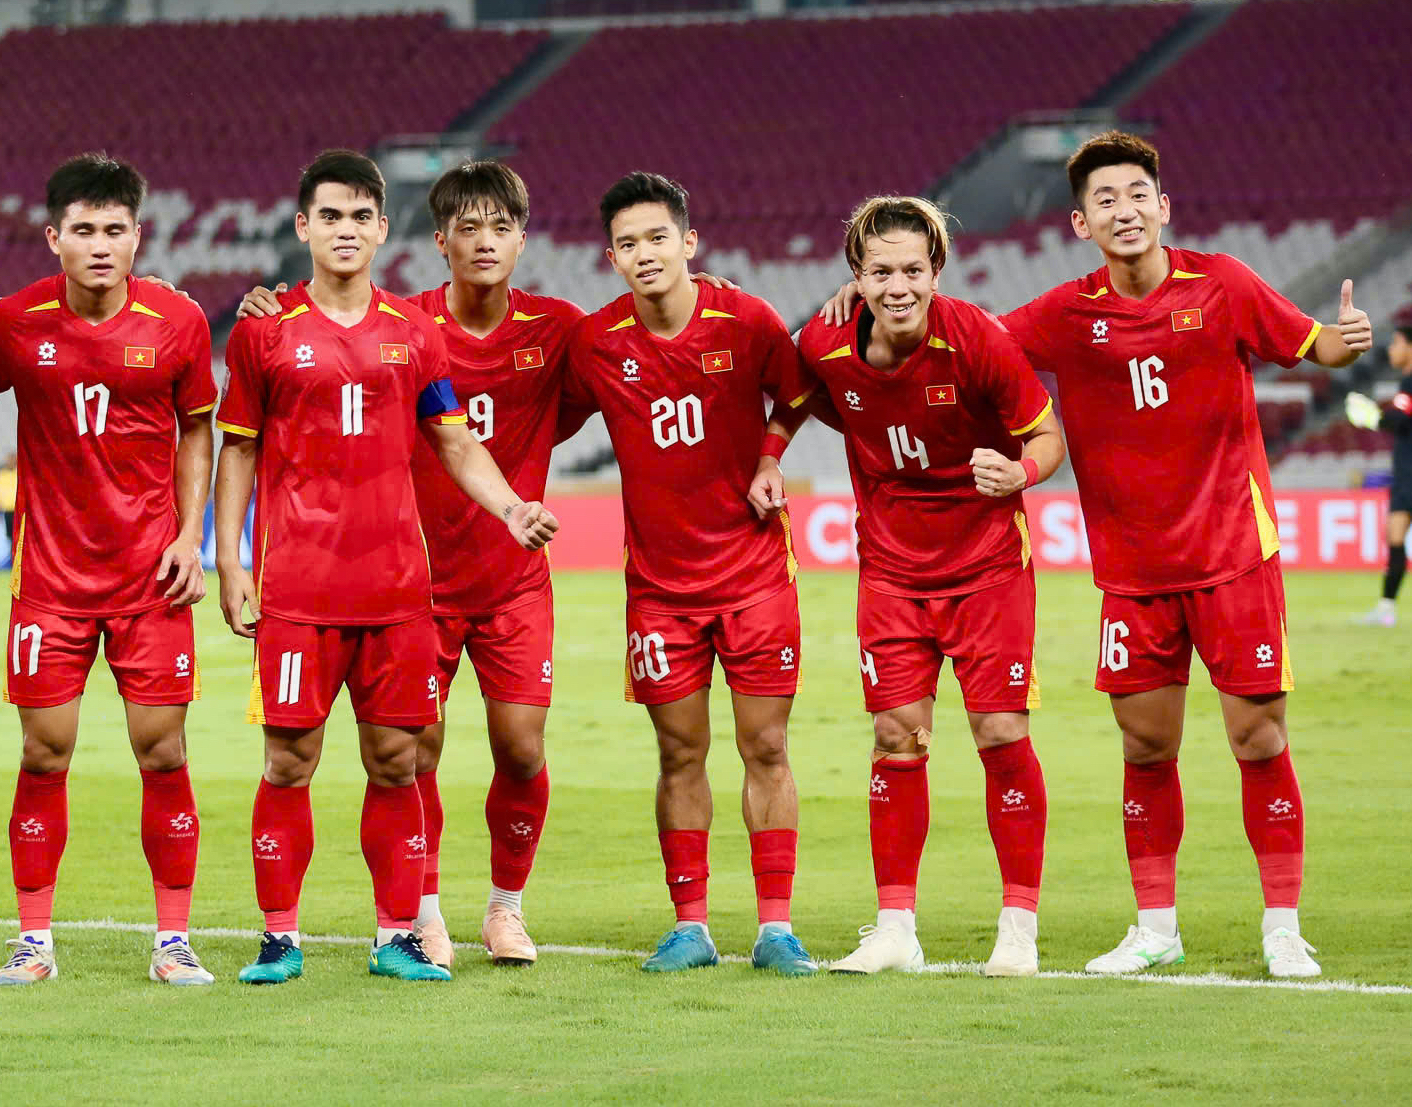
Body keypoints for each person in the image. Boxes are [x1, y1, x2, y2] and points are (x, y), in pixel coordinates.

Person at [818, 130, 1370, 978]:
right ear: (1080, 221)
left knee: (1257, 738)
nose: (1124, 209)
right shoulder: (1064, 314)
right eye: (1104, 200)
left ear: (1162, 205)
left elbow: (1312, 345)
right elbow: (963, 337)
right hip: (1133, 571)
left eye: (1136, 194)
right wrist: (857, 299)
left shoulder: (1221, 282)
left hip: (1232, 553)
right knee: (1144, 748)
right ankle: (1155, 926)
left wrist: (1346, 336)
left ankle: (1282, 926)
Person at [214, 149, 559, 986]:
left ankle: (397, 936)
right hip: (297, 587)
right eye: (327, 215)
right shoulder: (263, 330)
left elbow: (451, 438)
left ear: (381, 228)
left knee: (395, 760)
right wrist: (226, 558)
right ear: (303, 227)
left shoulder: (415, 333)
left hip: (400, 590)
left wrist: (509, 504)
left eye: (359, 216)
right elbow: (238, 450)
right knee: (287, 761)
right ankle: (279, 937)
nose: (343, 229)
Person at [0, 153, 219, 986]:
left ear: (138, 235)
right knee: (44, 752)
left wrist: (188, 533)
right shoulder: (15, 321)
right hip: (50, 581)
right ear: (53, 236)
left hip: (149, 577)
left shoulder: (178, 320)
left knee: (161, 750)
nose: (100, 245)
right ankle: (33, 941)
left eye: (115, 230)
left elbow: (197, 426)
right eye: (83, 231)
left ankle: (172, 940)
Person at [791, 196, 1064, 979]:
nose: (898, 285)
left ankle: (1016, 925)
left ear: (937, 271)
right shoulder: (825, 340)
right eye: (880, 271)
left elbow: (1046, 434)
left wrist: (1019, 470)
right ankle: (894, 926)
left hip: (985, 569)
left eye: (913, 269)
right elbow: (800, 393)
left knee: (999, 735)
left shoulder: (977, 338)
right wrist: (773, 453)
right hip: (890, 572)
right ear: (856, 275)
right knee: (895, 738)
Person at [560, 171, 820, 977]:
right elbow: (532, 400)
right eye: (628, 244)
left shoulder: (745, 319)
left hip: (752, 574)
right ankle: (691, 924)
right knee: (679, 754)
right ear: (610, 257)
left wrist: (772, 457)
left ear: (688, 242)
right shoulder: (597, 342)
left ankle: (775, 926)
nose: (644, 254)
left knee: (765, 745)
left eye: (656, 238)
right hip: (660, 591)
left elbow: (800, 387)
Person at [1342, 313, 1412, 626]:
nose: (1391, 351)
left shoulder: (1411, 382)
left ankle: (1386, 609)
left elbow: (1399, 420)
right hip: (1405, 475)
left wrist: (1372, 417)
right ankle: (1386, 609)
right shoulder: (1405, 384)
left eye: (1397, 344)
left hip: (1410, 477)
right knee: (1394, 537)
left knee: (1395, 537)